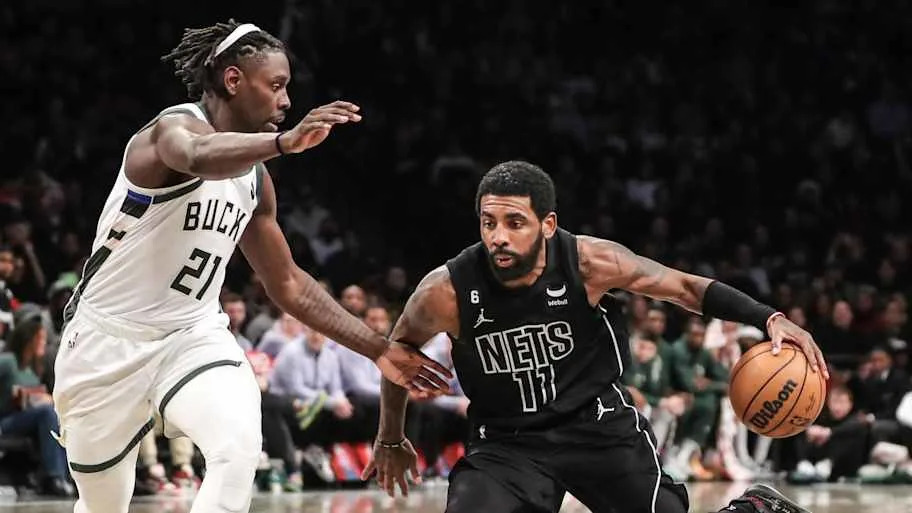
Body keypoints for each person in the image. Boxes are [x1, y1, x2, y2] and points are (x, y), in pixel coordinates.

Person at [52, 20, 450, 513]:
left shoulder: (256, 181)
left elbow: (287, 283)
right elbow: (198, 155)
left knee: (238, 447)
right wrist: (284, 144)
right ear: (234, 80)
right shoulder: (167, 132)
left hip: (191, 335)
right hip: (104, 341)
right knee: (103, 504)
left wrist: (378, 349)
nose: (286, 102)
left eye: (289, 89)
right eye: (277, 86)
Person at [362, 161, 827, 513]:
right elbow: (396, 354)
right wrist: (389, 437)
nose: (498, 237)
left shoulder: (590, 263)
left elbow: (683, 287)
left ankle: (754, 509)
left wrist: (768, 317)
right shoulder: (445, 290)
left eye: (514, 223)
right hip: (507, 442)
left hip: (597, 425)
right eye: (488, 222)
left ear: (547, 225)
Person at [0, 317, 72, 496]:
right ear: (28, 339)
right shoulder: (9, 362)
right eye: (40, 338)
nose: (44, 343)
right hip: (6, 421)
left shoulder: (33, 369)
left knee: (61, 415)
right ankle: (54, 476)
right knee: (47, 413)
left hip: (27, 420)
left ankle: (69, 477)